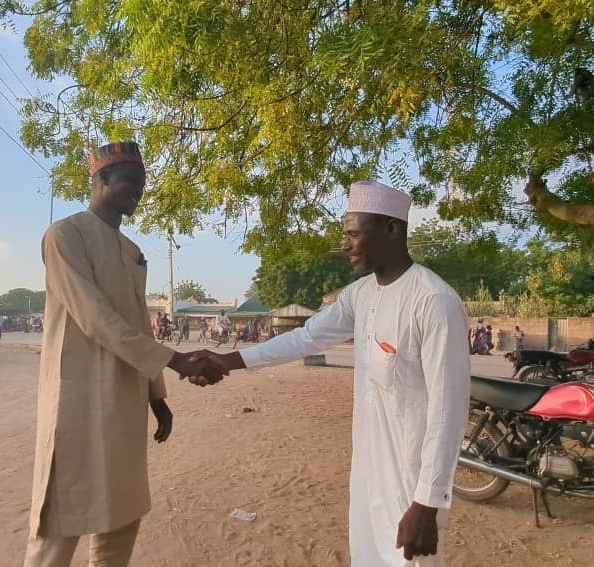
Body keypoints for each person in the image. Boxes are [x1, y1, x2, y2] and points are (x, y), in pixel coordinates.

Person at [186, 180, 471, 566]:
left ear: (391, 229)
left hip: (411, 486)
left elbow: (447, 411)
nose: (345, 244)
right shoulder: (361, 295)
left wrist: (428, 501)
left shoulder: (434, 302)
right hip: (368, 476)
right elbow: (306, 338)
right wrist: (228, 361)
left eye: (354, 234)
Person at [24, 140, 223, 567]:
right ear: (100, 179)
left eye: (142, 182)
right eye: (130, 180)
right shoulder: (64, 235)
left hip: (125, 398)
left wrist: (157, 396)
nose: (138, 190)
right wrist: (175, 359)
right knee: (64, 517)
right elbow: (93, 317)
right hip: (76, 399)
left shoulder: (132, 251)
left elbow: (135, 322)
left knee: (122, 513)